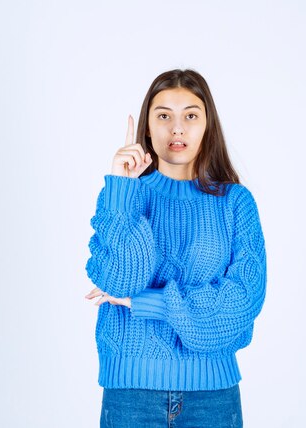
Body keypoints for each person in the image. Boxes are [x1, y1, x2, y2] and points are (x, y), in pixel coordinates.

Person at [84, 69, 267, 427]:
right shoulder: (123, 195)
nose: (177, 129)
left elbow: (242, 304)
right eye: (164, 116)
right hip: (131, 394)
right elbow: (121, 280)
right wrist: (123, 185)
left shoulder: (235, 203)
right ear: (148, 127)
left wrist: (150, 302)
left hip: (212, 398)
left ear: (207, 125)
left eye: (191, 116)